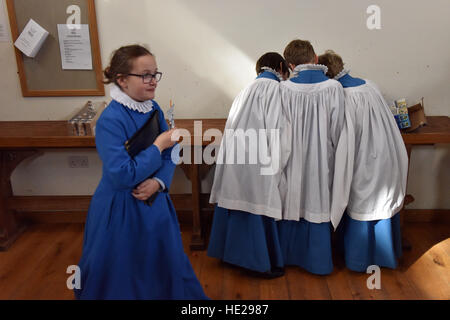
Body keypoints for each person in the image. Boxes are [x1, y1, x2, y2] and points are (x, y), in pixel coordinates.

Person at [74, 44, 208, 299]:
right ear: (122, 80)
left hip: (155, 203)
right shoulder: (109, 121)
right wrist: (158, 145)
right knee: (123, 271)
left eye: (155, 74)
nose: (152, 81)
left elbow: (172, 153)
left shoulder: (153, 108)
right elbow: (123, 174)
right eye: (145, 75)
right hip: (122, 208)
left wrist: (158, 182)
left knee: (164, 264)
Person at [318, 50, 408, 272]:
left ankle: (359, 259)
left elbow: (340, 135)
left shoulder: (342, 96)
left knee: (359, 199)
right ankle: (386, 254)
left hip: (362, 157)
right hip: (386, 153)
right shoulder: (370, 85)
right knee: (380, 201)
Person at [207, 52, 291, 278]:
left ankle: (231, 255)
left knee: (237, 199)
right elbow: (279, 132)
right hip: (259, 159)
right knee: (257, 203)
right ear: (282, 67)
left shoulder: (245, 90)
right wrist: (279, 166)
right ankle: (258, 261)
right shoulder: (276, 90)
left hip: (236, 157)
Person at [278, 40, 346, 275]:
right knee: (317, 198)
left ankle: (288, 256)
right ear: (315, 58)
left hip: (292, 155)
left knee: (292, 198)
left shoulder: (284, 88)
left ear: (290, 64)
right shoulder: (333, 88)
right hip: (321, 155)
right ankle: (318, 261)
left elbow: (280, 129)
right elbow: (338, 128)